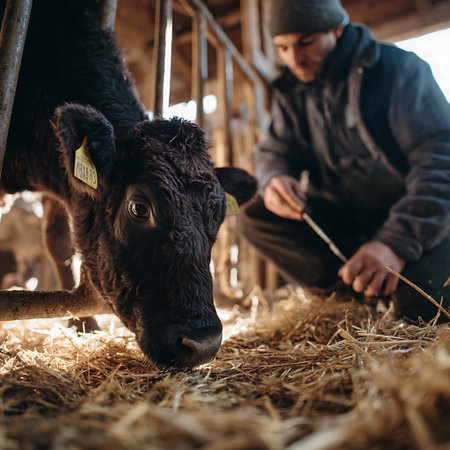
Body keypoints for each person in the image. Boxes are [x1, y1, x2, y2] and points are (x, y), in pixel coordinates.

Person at [241, 0, 450, 321]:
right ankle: (351, 299)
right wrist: (274, 178)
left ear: (336, 30)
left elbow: (441, 163)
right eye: (282, 47)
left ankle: (395, 289)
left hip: (418, 219)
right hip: (349, 221)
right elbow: (275, 150)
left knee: (423, 311)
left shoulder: (399, 70)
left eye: (304, 42)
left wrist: (394, 243)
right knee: (255, 214)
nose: (293, 58)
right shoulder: (293, 90)